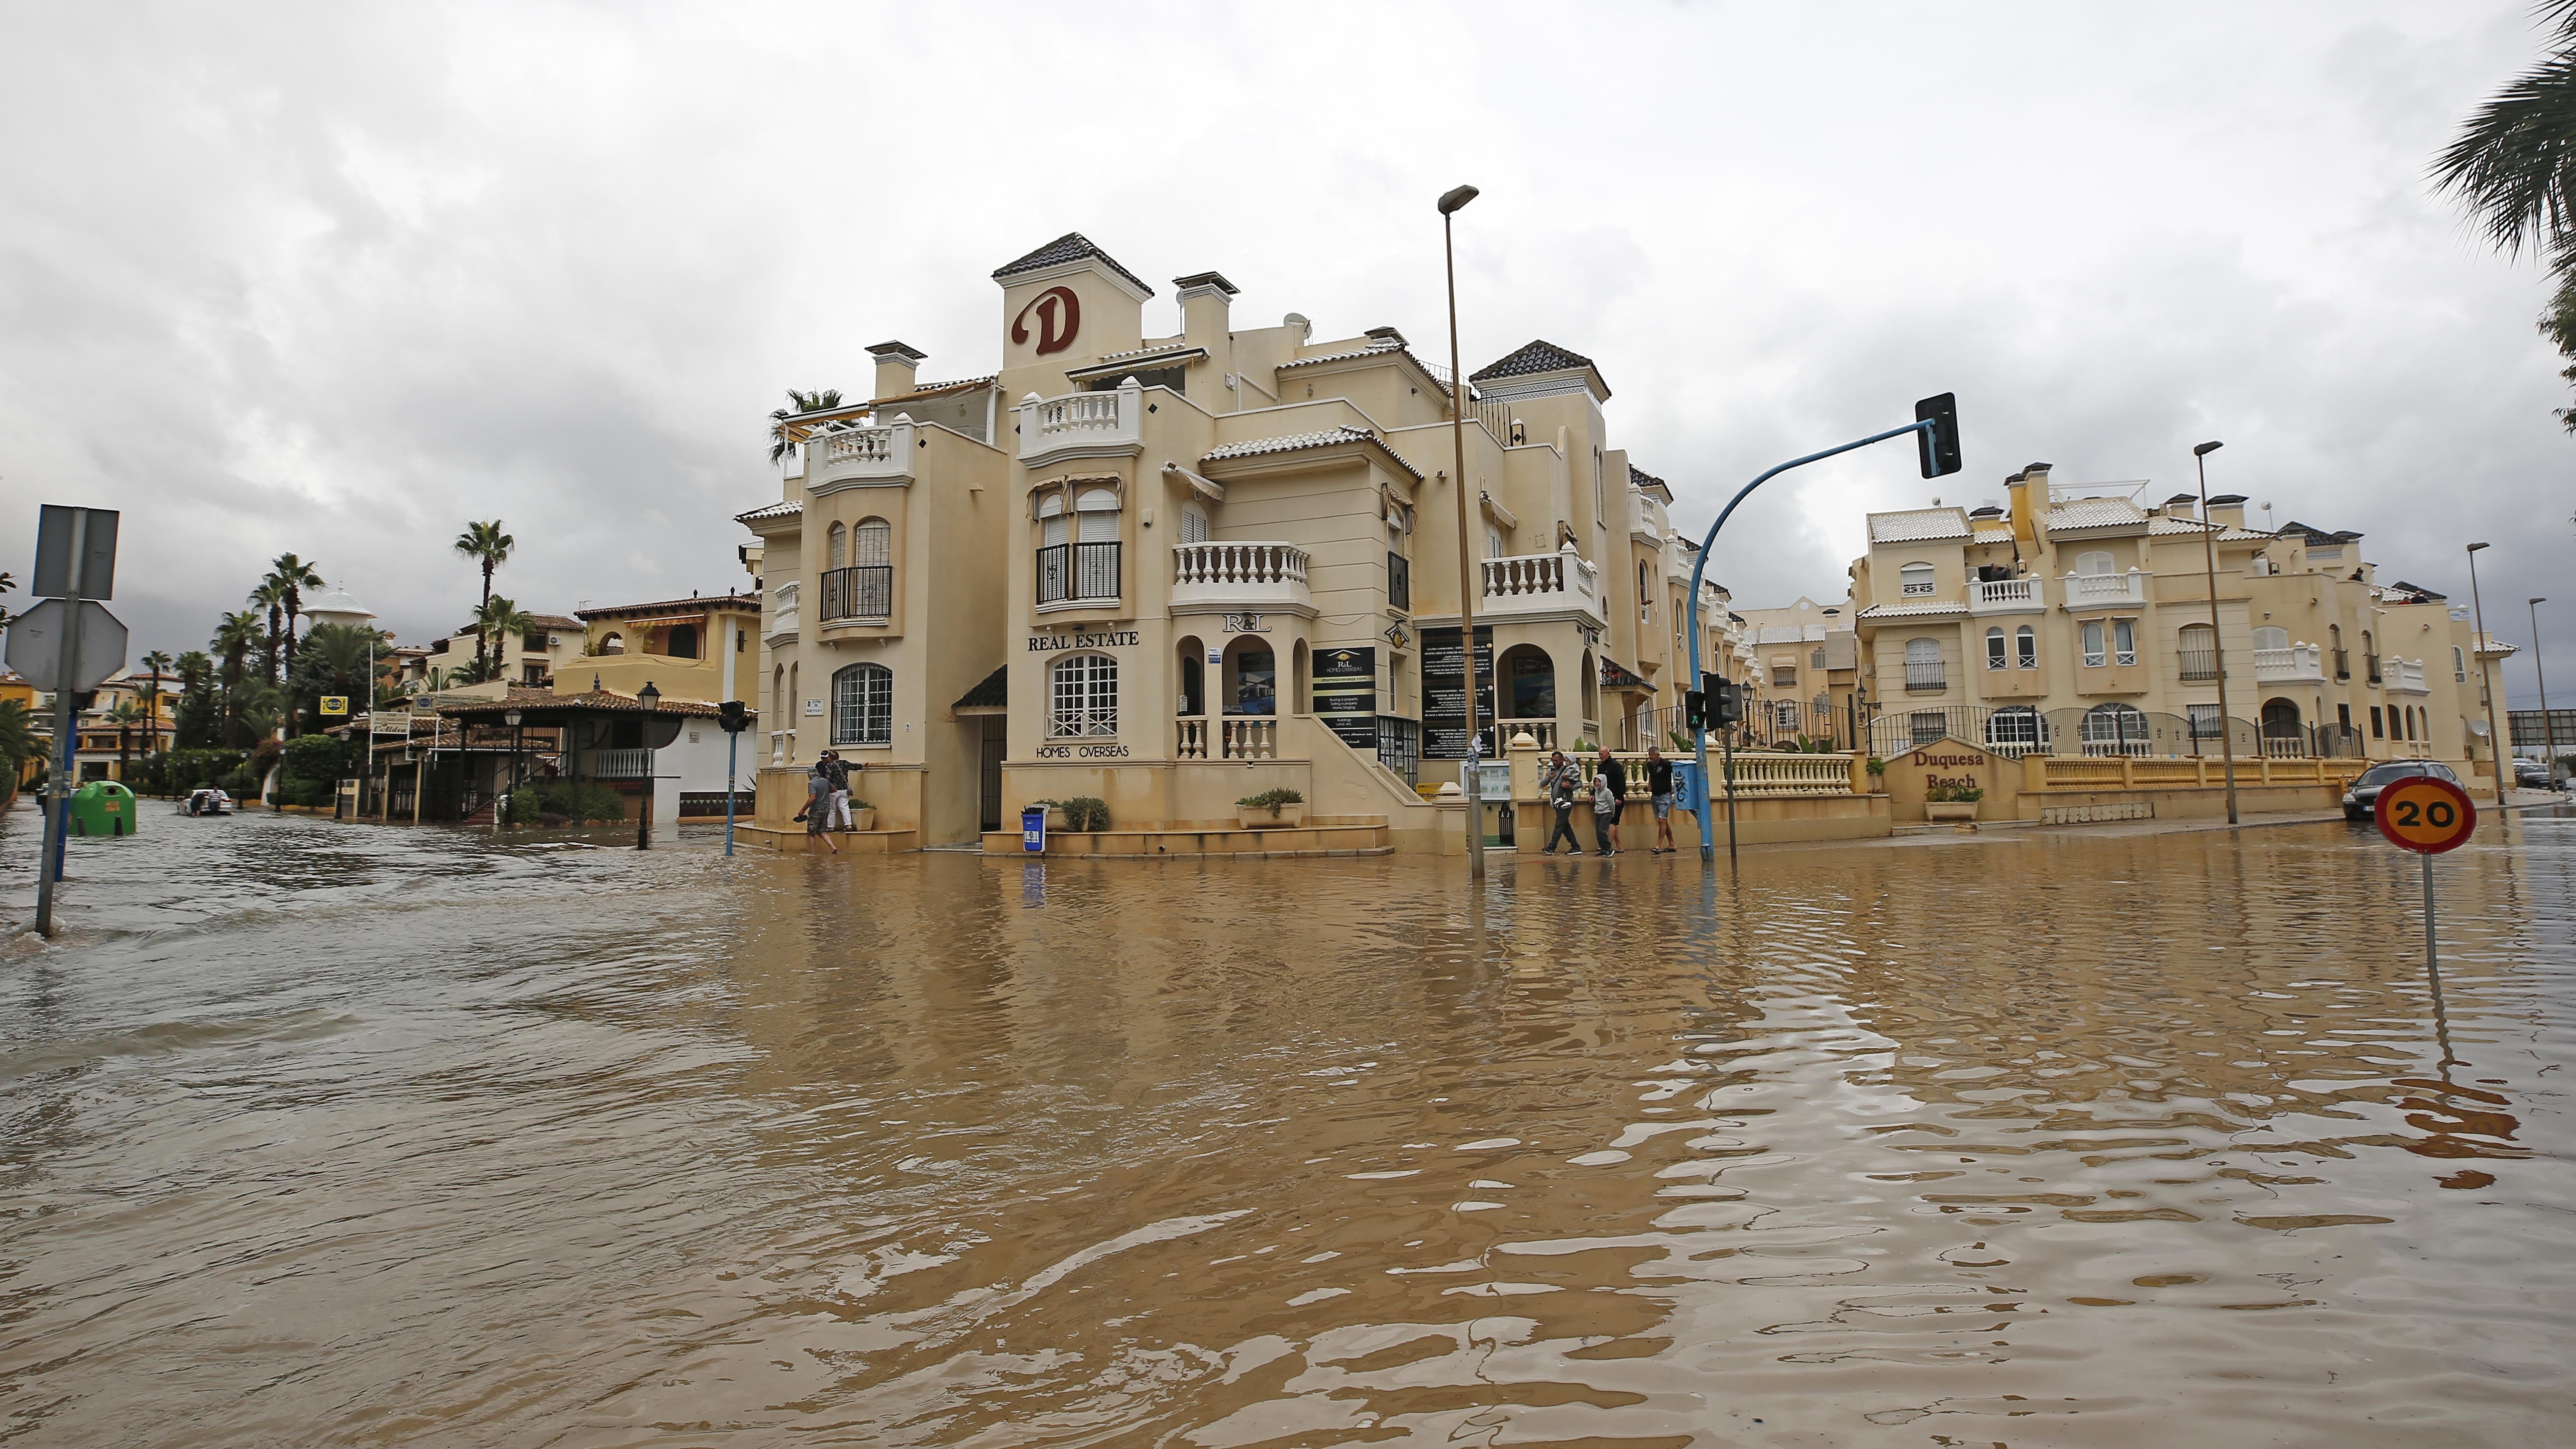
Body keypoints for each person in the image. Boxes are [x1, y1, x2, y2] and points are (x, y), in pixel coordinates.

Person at [1539, 749, 1584, 854]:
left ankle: (1552, 847)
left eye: (1557, 760)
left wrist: (1570, 787)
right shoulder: (1552, 771)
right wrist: (1548, 778)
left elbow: (1580, 784)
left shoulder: (1568, 770)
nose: (1555, 763)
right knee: (1565, 826)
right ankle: (1576, 847)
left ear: (1562, 760)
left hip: (1566, 801)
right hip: (1557, 802)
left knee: (1559, 824)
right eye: (1553, 760)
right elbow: (1542, 784)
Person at [1595, 748, 1626, 855]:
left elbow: (1621, 782)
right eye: (1599, 754)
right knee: (1612, 823)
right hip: (1605, 799)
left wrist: (1619, 797)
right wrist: (1592, 794)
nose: (1601, 756)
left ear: (1608, 754)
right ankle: (1619, 846)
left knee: (1613, 823)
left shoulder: (1616, 766)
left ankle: (1606, 847)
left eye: (1602, 754)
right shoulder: (1601, 766)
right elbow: (1598, 781)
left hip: (1616, 798)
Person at [801, 763, 838, 852]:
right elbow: (834, 789)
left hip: (816, 809)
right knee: (822, 831)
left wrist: (803, 810)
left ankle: (813, 853)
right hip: (826, 808)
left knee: (811, 832)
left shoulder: (812, 783)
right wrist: (824, 793)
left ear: (809, 775)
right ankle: (832, 847)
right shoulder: (825, 781)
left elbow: (813, 797)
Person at [1646, 745, 1676, 854]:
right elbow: (1651, 776)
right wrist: (1650, 785)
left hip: (1665, 795)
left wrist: (1675, 787)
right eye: (1649, 755)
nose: (1651, 757)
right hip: (1655, 795)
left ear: (1658, 755)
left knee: (1662, 820)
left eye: (1653, 755)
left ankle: (1658, 845)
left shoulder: (1666, 765)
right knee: (1663, 821)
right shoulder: (1649, 765)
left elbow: (1676, 774)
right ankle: (1672, 843)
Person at [822, 751, 854, 831]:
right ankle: (848, 825)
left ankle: (831, 827)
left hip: (833, 790)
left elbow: (828, 779)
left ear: (830, 758)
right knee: (845, 808)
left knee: (832, 809)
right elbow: (855, 766)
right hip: (844, 790)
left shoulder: (830, 766)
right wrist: (863, 765)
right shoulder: (844, 763)